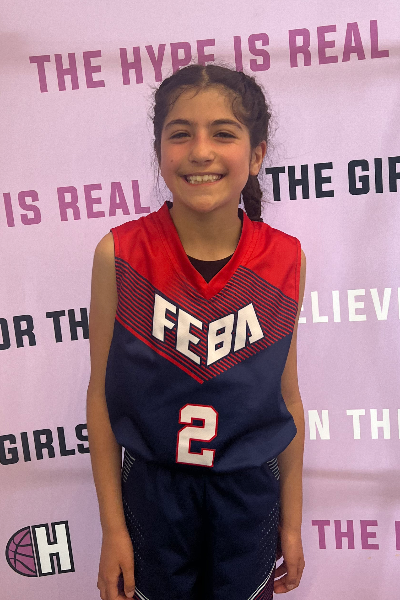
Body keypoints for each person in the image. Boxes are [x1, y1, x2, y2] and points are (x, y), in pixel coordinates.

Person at [87, 63, 306, 600]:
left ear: (256, 154)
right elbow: (101, 396)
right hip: (153, 494)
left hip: (248, 493)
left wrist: (293, 522)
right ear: (159, 150)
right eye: (180, 133)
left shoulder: (286, 258)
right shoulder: (120, 253)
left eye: (223, 133)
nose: (200, 151)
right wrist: (113, 530)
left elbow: (288, 400)